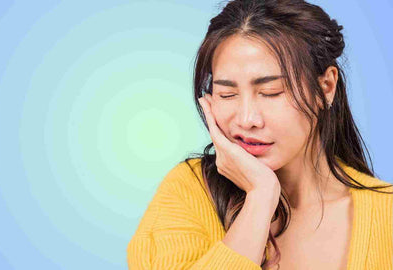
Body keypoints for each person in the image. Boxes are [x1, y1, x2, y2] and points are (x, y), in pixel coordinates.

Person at [127, 0, 393, 269]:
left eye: (271, 92)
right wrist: (260, 196)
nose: (246, 120)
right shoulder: (188, 192)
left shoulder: (387, 213)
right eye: (226, 94)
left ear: (326, 87)